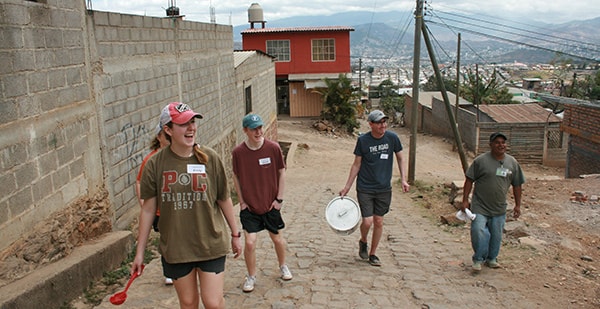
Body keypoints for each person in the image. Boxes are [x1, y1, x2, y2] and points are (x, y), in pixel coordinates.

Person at [131, 102, 243, 309]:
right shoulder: (155, 165)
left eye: (193, 122)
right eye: (183, 124)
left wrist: (235, 234)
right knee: (189, 303)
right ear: (168, 129)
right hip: (177, 248)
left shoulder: (210, 158)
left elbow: (224, 198)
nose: (191, 128)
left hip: (211, 243)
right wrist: (140, 253)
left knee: (213, 303)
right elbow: (147, 210)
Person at [339, 110, 410, 266]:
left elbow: (400, 158)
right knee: (367, 221)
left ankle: (373, 253)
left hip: (384, 188)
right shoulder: (363, 140)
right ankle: (363, 241)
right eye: (379, 123)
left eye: (384, 122)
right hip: (365, 187)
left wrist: (404, 180)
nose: (383, 125)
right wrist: (347, 187)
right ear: (370, 124)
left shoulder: (392, 138)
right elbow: (356, 164)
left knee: (379, 221)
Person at [231, 114, 292, 293]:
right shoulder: (238, 153)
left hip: (270, 204)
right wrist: (241, 202)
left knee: (277, 238)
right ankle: (251, 276)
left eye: (260, 128)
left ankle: (283, 266)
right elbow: (235, 176)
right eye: (253, 129)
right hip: (250, 206)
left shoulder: (273, 148)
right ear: (245, 131)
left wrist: (279, 199)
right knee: (250, 243)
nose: (258, 132)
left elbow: (281, 172)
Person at [461, 132, 525, 271]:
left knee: (496, 235)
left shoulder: (512, 163)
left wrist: (518, 205)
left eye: (503, 142)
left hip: (499, 207)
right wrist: (465, 200)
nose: (501, 145)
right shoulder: (481, 161)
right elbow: (469, 180)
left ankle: (492, 258)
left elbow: (517, 185)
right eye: (497, 142)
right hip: (480, 206)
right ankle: (478, 259)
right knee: (478, 231)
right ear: (490, 145)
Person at [135, 124, 173, 285]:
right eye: (166, 137)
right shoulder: (151, 160)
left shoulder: (176, 157)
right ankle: (169, 270)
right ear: (159, 137)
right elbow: (139, 181)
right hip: (159, 211)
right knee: (167, 239)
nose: (170, 140)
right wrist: (143, 203)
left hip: (175, 208)